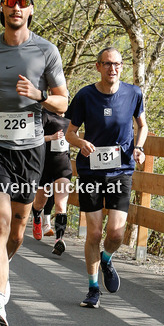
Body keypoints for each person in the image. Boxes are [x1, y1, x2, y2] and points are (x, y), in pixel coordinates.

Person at [0, 0, 68, 326]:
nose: (16, 8)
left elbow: (63, 102)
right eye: (10, 3)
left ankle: (1, 279)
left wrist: (38, 95)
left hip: (30, 149)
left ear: (30, 10)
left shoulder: (46, 50)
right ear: (3, 8)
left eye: (23, 3)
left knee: (19, 231)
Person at [65, 47, 147, 309]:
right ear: (98, 66)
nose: (113, 68)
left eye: (117, 64)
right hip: (90, 169)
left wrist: (139, 147)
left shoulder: (133, 93)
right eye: (108, 64)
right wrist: (80, 142)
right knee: (95, 231)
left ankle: (107, 259)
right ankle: (92, 288)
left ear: (122, 67)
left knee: (115, 232)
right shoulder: (85, 96)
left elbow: (142, 125)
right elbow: (69, 132)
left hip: (121, 169)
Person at [31, 108, 72, 256]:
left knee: (61, 205)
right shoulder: (45, 115)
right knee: (40, 202)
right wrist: (51, 137)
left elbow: (75, 137)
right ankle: (36, 217)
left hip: (63, 167)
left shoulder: (71, 120)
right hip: (44, 165)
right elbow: (33, 137)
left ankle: (59, 240)